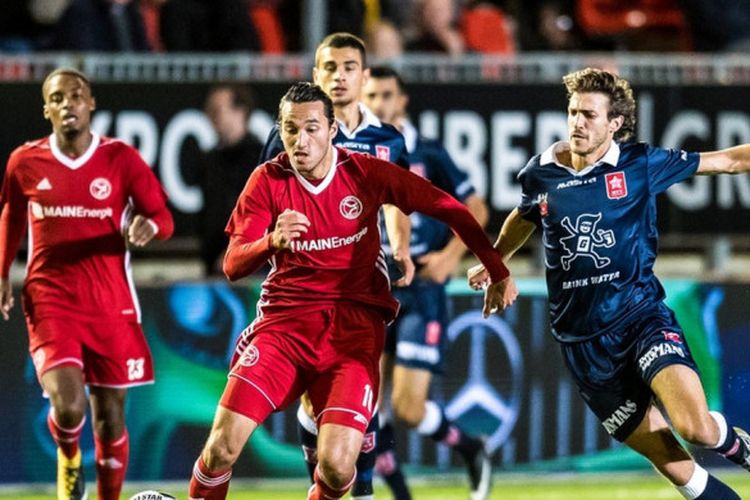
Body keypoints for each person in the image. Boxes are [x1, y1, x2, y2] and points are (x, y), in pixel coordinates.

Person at [187, 81, 517, 500]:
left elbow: (450, 207)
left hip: (352, 335)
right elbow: (233, 264)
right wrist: (270, 241)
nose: (300, 141)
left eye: (310, 128)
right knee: (221, 448)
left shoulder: (365, 173)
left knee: (340, 469)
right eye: (290, 130)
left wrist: (497, 269)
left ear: (332, 130)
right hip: (283, 330)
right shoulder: (268, 180)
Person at [470, 67, 750, 500]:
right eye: (573, 112)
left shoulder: (639, 164)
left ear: (614, 123)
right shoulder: (541, 172)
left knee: (696, 429)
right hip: (583, 346)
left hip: (642, 319)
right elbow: (524, 215)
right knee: (678, 468)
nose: (577, 123)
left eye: (589, 115)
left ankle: (735, 443)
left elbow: (728, 161)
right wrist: (496, 263)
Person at [0, 68, 174, 500]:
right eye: (57, 98)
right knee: (69, 405)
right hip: (50, 298)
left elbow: (164, 216)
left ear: (91, 103)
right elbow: (11, 217)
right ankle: (69, 461)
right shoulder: (25, 161)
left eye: (75, 96)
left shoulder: (121, 159)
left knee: (111, 419)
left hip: (111, 303)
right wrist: (2, 273)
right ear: (46, 109)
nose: (67, 104)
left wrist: (150, 228)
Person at [258, 32, 414, 499]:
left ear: (364, 77)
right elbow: (264, 197)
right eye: (329, 68)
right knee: (316, 401)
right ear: (316, 76)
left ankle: (359, 488)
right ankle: (332, 483)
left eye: (349, 67)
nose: (339, 76)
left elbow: (398, 201)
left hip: (363, 288)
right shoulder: (290, 134)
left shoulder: (387, 140)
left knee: (361, 399)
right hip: (302, 288)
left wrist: (401, 248)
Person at [362, 66, 492, 500]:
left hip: (421, 290)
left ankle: (470, 447)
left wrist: (450, 256)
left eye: (387, 95)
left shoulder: (430, 154)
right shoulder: (355, 151)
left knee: (408, 409)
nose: (380, 104)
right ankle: (401, 494)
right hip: (374, 289)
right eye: (372, 96)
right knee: (367, 409)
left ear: (403, 101)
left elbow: (476, 206)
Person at [199, 84, 263, 277]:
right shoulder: (209, 160)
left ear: (241, 112)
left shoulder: (261, 159)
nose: (212, 116)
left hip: (251, 267)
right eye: (209, 110)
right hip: (214, 268)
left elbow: (261, 213)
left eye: (218, 109)